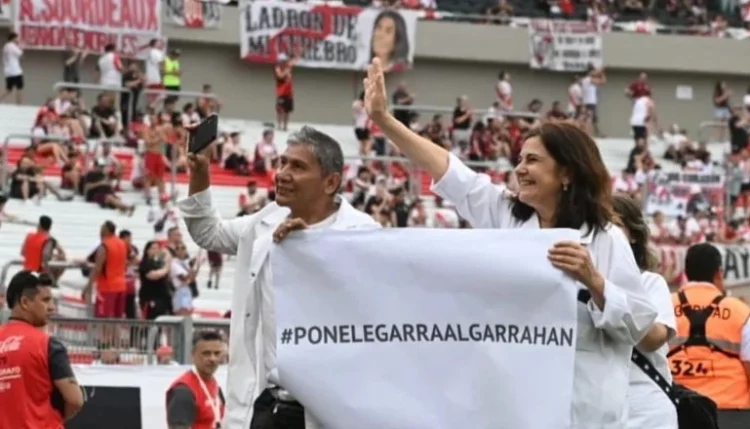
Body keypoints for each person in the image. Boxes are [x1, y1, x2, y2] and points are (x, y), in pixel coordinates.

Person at [362, 57, 657, 427]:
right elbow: (451, 172)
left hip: (586, 412)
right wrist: (385, 121)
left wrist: (595, 283)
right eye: (519, 159)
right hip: (516, 408)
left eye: (532, 160)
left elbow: (644, 330)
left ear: (566, 172)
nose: (519, 169)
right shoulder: (506, 215)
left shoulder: (605, 238)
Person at [177, 126, 379, 429]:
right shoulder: (264, 222)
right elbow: (207, 231)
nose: (282, 173)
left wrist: (311, 247)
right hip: (268, 405)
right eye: (282, 163)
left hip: (331, 410)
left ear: (331, 182)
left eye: (297, 166)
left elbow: (370, 311)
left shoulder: (364, 234)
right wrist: (201, 171)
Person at [613, 195, 678, 428]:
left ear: (633, 235)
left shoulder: (650, 283)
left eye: (616, 225)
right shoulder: (579, 284)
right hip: (597, 410)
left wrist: (606, 291)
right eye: (599, 224)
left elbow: (653, 340)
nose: (607, 232)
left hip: (647, 413)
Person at [668, 243, 750, 410]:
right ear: (719, 273)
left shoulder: (664, 306)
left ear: (686, 273)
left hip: (674, 408)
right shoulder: (741, 311)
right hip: (731, 411)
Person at [0, 271, 84, 429]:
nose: (52, 307)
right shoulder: (47, 344)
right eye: (45, 300)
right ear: (25, 302)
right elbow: (75, 400)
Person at [166, 330, 226, 429]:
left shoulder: (215, 386)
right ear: (193, 355)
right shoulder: (183, 390)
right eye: (206, 353)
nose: (212, 359)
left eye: (217, 353)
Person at [84, 221, 128, 319]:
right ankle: (116, 335)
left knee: (103, 319)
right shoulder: (122, 244)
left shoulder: (105, 246)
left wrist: (88, 286)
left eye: (101, 229)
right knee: (117, 319)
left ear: (106, 230)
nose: (100, 231)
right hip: (121, 286)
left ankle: (102, 335)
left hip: (107, 287)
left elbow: (97, 268)